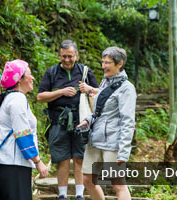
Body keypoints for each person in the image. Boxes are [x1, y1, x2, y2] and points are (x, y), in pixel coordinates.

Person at [37, 40, 99, 200]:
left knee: (80, 158)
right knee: (62, 159)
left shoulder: (85, 71)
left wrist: (89, 89)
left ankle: (79, 195)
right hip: (58, 121)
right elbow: (40, 97)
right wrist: (61, 92)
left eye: (70, 56)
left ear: (76, 55)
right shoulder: (52, 73)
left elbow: (100, 94)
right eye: (63, 56)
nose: (66, 60)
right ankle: (62, 195)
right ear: (60, 56)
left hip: (82, 121)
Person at [77, 47, 137, 200]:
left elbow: (128, 121)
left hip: (113, 142)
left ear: (120, 64)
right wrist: (88, 120)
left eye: (108, 62)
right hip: (95, 139)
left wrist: (124, 151)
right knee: (87, 180)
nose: (103, 65)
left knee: (118, 184)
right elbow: (100, 112)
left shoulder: (127, 88)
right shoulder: (104, 82)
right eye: (103, 62)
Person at [0, 59, 48, 200]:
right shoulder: (17, 100)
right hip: (13, 165)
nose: (33, 78)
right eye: (29, 74)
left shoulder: (11, 98)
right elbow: (22, 134)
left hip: (10, 163)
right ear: (19, 79)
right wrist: (37, 161)